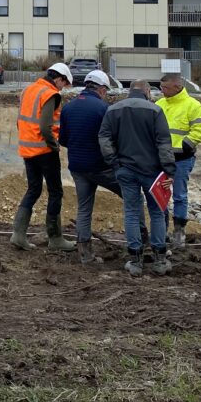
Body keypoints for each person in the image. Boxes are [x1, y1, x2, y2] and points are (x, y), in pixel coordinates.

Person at [60, 69, 144, 265]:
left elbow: (63, 139)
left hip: (78, 166)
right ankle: (141, 243)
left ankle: (85, 254)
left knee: (84, 208)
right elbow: (112, 139)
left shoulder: (68, 107)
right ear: (101, 89)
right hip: (101, 167)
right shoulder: (103, 108)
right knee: (133, 197)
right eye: (105, 90)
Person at [98, 79, 175, 277]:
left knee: (132, 213)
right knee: (157, 212)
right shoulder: (155, 111)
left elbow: (104, 138)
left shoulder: (113, 110)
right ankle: (159, 260)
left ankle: (135, 261)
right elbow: (164, 142)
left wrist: (114, 163)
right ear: (147, 91)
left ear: (129, 90)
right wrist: (169, 170)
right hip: (153, 172)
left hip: (125, 170)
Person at [12, 61, 75, 253]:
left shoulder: (29, 90)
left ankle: (18, 235)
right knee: (55, 192)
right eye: (64, 84)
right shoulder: (50, 94)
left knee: (33, 189)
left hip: (27, 150)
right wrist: (54, 146)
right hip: (45, 151)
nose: (63, 88)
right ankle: (55, 238)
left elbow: (20, 120)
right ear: (59, 79)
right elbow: (45, 126)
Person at [155, 72, 201, 251]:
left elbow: (200, 130)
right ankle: (161, 231)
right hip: (161, 159)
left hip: (181, 159)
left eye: (166, 88)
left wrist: (185, 145)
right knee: (159, 195)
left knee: (179, 195)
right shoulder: (160, 104)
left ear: (177, 87)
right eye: (161, 87)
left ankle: (179, 233)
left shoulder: (193, 105)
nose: (162, 91)